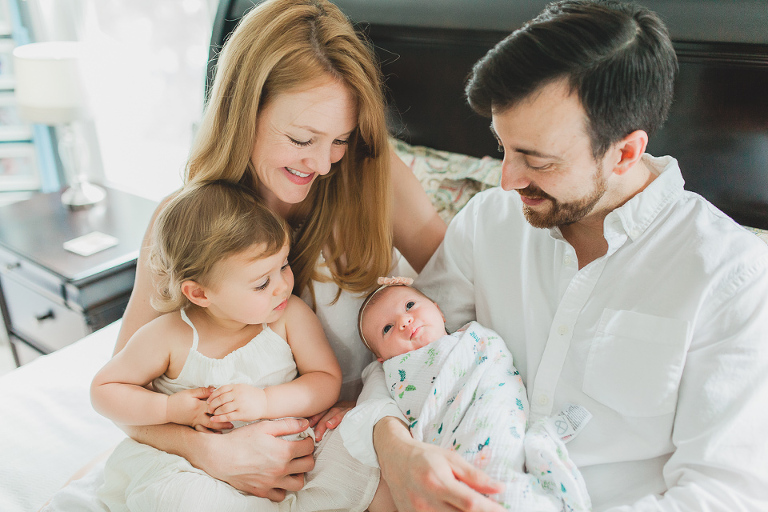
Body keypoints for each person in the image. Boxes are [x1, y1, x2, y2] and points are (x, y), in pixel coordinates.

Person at [363, 1, 768, 510]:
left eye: (538, 161)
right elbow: (405, 358)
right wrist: (392, 446)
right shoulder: (490, 220)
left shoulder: (732, 277)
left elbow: (726, 493)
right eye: (503, 147)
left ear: (624, 152)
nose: (507, 180)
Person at [42, 0, 446, 507]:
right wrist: (210, 453)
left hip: (353, 444)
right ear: (244, 110)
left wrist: (374, 410)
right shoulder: (189, 223)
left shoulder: (375, 178)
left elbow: (459, 301)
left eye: (339, 140)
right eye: (302, 138)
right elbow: (123, 396)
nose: (323, 163)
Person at [356, 276, 592, 512]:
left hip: (494, 421)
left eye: (409, 306)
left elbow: (498, 376)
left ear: (439, 312)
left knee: (502, 478)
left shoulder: (476, 340)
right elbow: (375, 405)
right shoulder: (393, 373)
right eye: (387, 328)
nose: (404, 321)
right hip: (447, 446)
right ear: (383, 359)